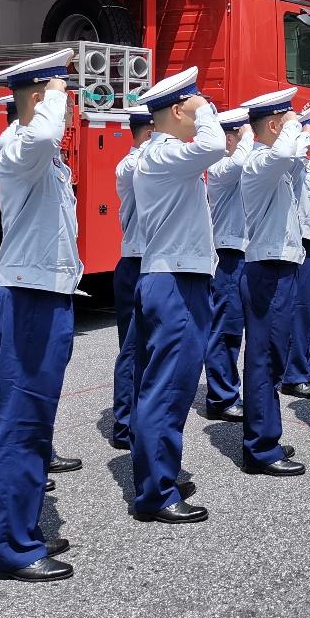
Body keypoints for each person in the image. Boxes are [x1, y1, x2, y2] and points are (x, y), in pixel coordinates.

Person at [0, 49, 80, 582]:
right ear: (40, 100)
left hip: (46, 294)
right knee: (21, 428)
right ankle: (11, 547)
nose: (67, 106)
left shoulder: (36, 153)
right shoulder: (18, 146)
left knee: (33, 426)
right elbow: (43, 133)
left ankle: (22, 527)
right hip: (27, 301)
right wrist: (53, 98)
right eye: (59, 94)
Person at [131, 67, 226, 524]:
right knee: (167, 389)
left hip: (179, 276)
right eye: (194, 105)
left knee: (169, 385)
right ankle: (156, 492)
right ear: (176, 109)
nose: (201, 111)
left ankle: (157, 476)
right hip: (173, 281)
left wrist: (201, 107)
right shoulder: (161, 153)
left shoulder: (165, 153)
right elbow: (214, 144)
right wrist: (206, 110)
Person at [238, 88, 308, 476]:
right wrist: (293, 129)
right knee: (264, 359)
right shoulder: (259, 161)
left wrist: (298, 131)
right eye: (287, 120)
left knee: (275, 356)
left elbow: (294, 155)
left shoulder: (271, 162)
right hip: (266, 271)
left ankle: (267, 435)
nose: (294, 123)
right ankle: (260, 449)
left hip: (279, 267)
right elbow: (285, 153)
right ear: (272, 125)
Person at [205, 107, 255, 422]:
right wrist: (251, 135)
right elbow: (239, 162)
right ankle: (221, 397)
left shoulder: (240, 165)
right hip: (226, 255)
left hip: (243, 252)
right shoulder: (221, 165)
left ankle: (228, 390)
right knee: (225, 328)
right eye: (242, 134)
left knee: (235, 328)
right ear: (229, 138)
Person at [109, 107, 154, 450]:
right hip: (137, 263)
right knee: (133, 348)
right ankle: (124, 423)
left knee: (146, 348)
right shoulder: (133, 163)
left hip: (148, 263)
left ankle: (137, 417)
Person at [282, 114, 310, 400]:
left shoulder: (307, 166)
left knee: (306, 310)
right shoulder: (295, 164)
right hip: (301, 242)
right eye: (308, 131)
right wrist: (300, 131)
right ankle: (294, 374)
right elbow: (295, 154)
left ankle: (303, 368)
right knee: (299, 309)